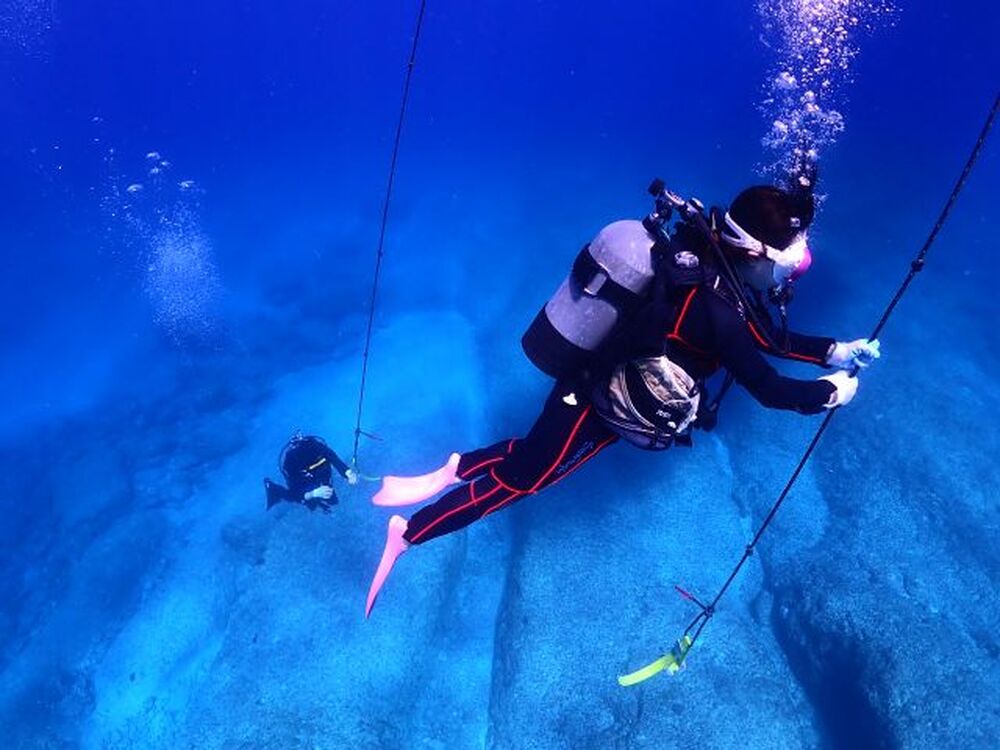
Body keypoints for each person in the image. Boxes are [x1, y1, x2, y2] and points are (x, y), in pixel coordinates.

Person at [363, 182, 881, 617]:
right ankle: (408, 534)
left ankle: (451, 470)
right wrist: (831, 393)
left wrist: (836, 351)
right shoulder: (719, 308)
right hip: (592, 394)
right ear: (754, 253)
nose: (794, 272)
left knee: (530, 457)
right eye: (792, 263)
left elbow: (767, 339)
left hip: (616, 395)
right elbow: (770, 389)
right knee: (526, 479)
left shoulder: (716, 271)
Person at [264, 432, 358, 513]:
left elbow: (334, 459)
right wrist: (313, 494)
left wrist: (348, 473)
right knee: (297, 498)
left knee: (332, 501)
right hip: (304, 481)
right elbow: (295, 493)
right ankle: (273, 489)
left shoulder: (317, 447)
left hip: (321, 474)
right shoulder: (291, 464)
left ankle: (318, 498)